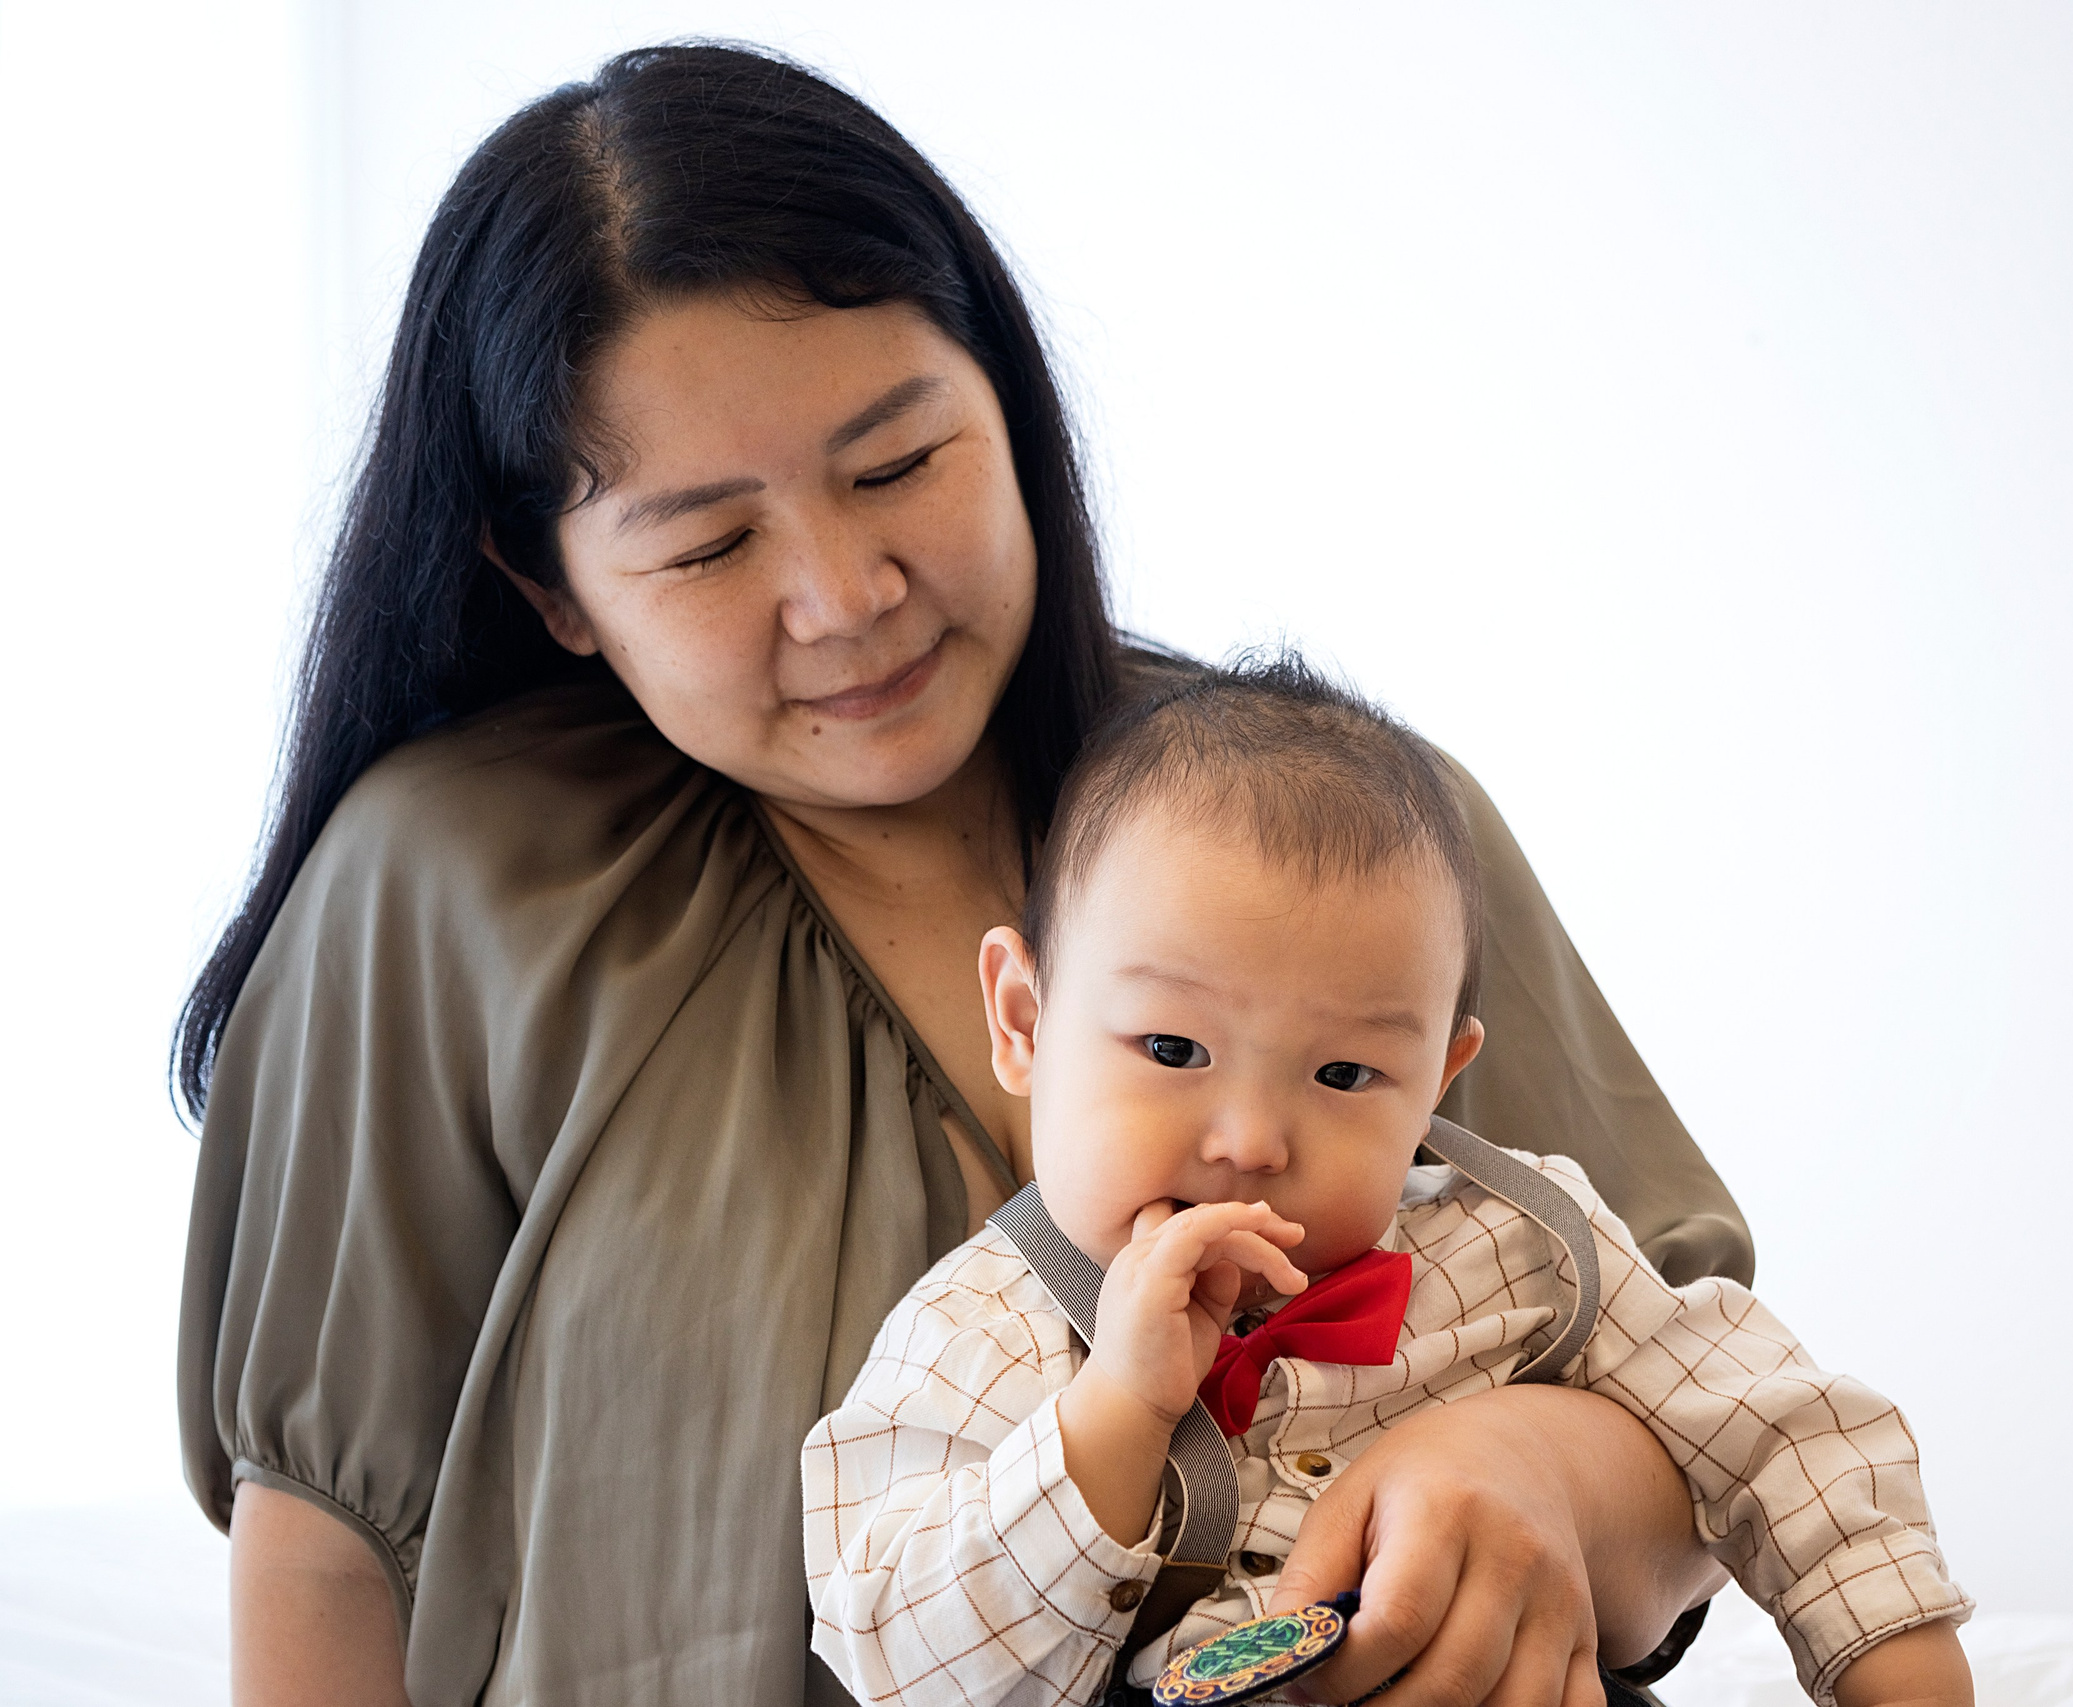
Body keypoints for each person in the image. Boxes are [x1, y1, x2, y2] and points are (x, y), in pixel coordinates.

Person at [176, 41, 1767, 1707]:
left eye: (897, 464)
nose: (845, 595)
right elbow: (327, 1544)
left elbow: (1722, 1436)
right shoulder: (446, 883)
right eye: (710, 544)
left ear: (1004, 395)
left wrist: (1543, 1469)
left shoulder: (1359, 826)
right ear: (553, 581)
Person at [803, 658, 1973, 1707]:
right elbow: (903, 1661)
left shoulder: (1527, 1243)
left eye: (1346, 1071)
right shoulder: (980, 1336)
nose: (1251, 1138)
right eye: (1171, 1051)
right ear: (1025, 1019)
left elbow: (1780, 1429)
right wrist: (1111, 1413)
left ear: (1438, 1079)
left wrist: (1898, 1668)